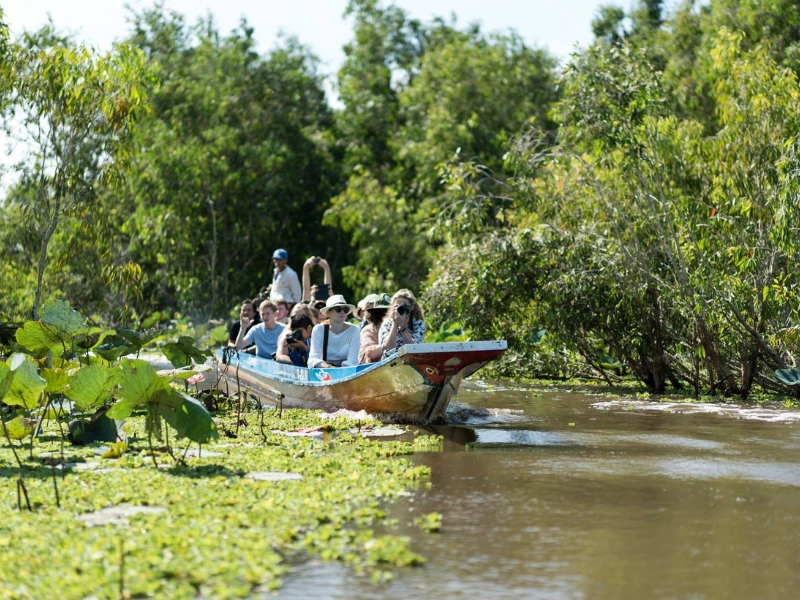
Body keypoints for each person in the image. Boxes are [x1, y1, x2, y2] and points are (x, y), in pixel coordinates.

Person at [307, 295, 360, 368]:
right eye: (338, 309)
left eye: (345, 309)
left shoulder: (354, 330)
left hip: (348, 372)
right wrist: (331, 369)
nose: (342, 312)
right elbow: (313, 359)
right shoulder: (319, 330)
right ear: (328, 313)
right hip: (324, 372)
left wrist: (340, 373)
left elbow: (352, 361)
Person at [378, 289, 426, 358]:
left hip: (409, 361)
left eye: (404, 306)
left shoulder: (418, 323)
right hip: (390, 363)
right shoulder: (387, 324)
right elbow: (389, 348)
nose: (401, 309)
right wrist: (395, 323)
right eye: (397, 306)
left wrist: (403, 327)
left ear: (412, 307)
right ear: (393, 308)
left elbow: (413, 349)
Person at [359, 293, 390, 364]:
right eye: (384, 311)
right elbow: (370, 353)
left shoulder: (400, 328)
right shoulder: (368, 330)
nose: (388, 314)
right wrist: (388, 345)